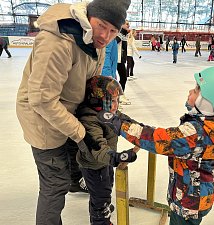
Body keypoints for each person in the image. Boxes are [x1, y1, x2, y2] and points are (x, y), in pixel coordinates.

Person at [15, 0, 131, 224]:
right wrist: (82, 132)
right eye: (102, 26)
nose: (106, 36)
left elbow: (90, 82)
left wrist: (101, 110)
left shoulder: (98, 42)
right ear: (89, 17)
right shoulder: (57, 42)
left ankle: (75, 181)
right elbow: (42, 100)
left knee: (76, 153)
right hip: (41, 118)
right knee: (54, 183)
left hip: (68, 108)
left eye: (113, 30)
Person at [98, 66, 214, 225]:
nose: (191, 91)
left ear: (209, 104)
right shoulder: (212, 128)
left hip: (188, 204)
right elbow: (162, 135)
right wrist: (124, 120)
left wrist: (120, 125)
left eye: (197, 90)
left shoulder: (196, 134)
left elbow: (159, 140)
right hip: (196, 197)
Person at [76, 75, 137, 225]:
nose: (116, 106)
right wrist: (118, 157)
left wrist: (141, 129)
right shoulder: (89, 121)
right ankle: (100, 219)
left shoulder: (107, 113)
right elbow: (99, 149)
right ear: (97, 101)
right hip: (94, 165)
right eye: (112, 101)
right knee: (101, 195)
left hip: (106, 162)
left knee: (107, 185)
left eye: (117, 101)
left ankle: (102, 202)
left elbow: (124, 120)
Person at [116, 20, 131, 105]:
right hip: (117, 60)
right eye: (127, 24)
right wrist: (122, 33)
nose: (128, 25)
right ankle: (119, 96)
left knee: (123, 77)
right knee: (122, 77)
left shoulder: (123, 34)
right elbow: (116, 42)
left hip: (121, 60)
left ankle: (120, 96)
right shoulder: (118, 33)